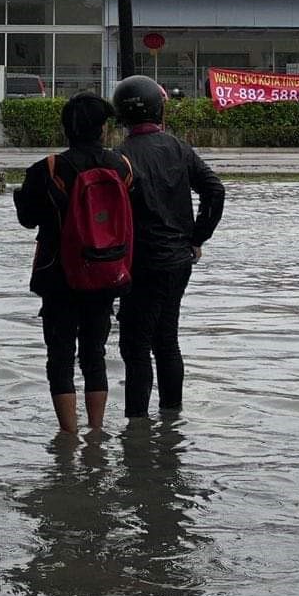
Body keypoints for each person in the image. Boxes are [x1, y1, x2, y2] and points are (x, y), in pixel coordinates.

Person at [13, 91, 133, 435]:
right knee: (95, 353)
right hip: (106, 271)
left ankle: (69, 435)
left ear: (66, 128)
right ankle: (97, 432)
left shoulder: (47, 169)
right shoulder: (121, 166)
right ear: (102, 128)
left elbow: (28, 220)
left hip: (59, 276)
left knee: (60, 356)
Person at [112, 74, 225, 418]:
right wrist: (196, 238)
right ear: (160, 110)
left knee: (135, 348)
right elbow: (215, 191)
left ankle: (137, 426)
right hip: (178, 263)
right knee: (167, 340)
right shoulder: (179, 148)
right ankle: (171, 418)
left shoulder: (120, 158)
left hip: (139, 266)